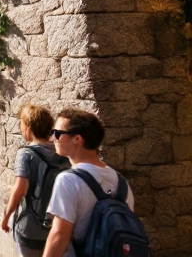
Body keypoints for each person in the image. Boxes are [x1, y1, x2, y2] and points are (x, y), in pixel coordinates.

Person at [43, 108, 140, 257]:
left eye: (57, 133)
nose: (52, 139)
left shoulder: (68, 180)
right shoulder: (121, 181)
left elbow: (59, 235)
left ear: (77, 139)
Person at [0, 104, 67, 257]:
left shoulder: (26, 154)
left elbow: (20, 189)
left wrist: (6, 216)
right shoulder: (62, 152)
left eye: (21, 125)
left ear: (28, 128)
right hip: (56, 228)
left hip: (30, 227)